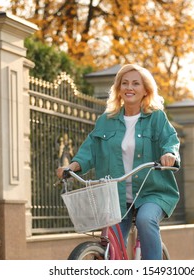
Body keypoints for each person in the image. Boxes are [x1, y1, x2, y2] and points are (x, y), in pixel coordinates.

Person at [57, 64, 180, 260]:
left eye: (135, 83)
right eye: (125, 83)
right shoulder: (106, 120)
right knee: (110, 246)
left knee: (146, 220)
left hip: (151, 192)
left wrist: (169, 155)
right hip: (115, 196)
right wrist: (71, 167)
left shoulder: (156, 118)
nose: (129, 87)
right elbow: (90, 150)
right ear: (119, 89)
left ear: (145, 90)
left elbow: (170, 141)